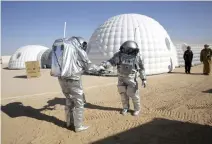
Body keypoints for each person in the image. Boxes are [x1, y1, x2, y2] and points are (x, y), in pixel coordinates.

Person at [50, 36, 104, 132]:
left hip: (61, 79)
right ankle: (78, 126)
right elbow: (88, 65)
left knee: (69, 101)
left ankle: (69, 123)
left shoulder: (65, 47)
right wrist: (99, 68)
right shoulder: (77, 49)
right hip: (73, 80)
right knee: (79, 103)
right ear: (80, 43)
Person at [100, 40, 147, 116]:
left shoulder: (137, 57)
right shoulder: (119, 55)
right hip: (121, 78)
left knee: (134, 94)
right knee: (123, 94)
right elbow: (111, 62)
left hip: (131, 78)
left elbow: (141, 68)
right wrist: (104, 65)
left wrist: (143, 79)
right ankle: (125, 108)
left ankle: (137, 109)